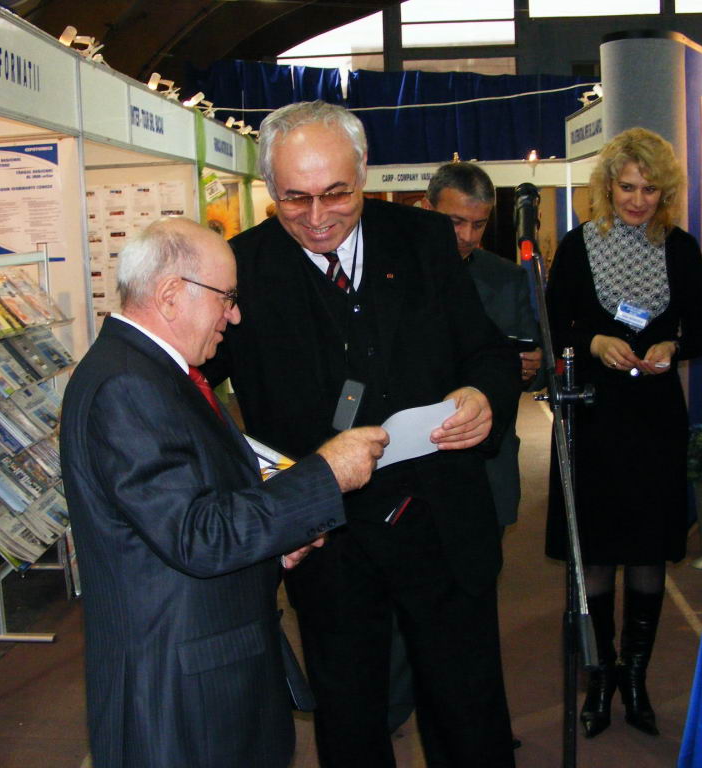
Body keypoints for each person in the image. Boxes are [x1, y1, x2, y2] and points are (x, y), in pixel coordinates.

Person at [202, 101, 521, 767]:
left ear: (365, 171)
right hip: (327, 542)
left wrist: (483, 397)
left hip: (440, 521)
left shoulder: (426, 239)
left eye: (336, 193)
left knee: (468, 710)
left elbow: (487, 352)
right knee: (349, 720)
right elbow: (195, 394)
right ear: (269, 187)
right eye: (295, 198)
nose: (317, 216)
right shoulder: (241, 269)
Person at [60, 217, 389, 768]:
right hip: (181, 688)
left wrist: (276, 545)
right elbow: (198, 536)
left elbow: (186, 516)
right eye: (227, 297)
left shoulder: (156, 374)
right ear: (171, 295)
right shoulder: (128, 385)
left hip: (205, 669)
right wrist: (326, 474)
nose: (234, 316)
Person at [544, 127, 702, 739]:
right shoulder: (576, 245)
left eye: (650, 189)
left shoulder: (681, 248)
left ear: (665, 192)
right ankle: (601, 680)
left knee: (647, 554)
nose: (638, 200)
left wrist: (672, 346)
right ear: (608, 186)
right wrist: (592, 341)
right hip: (593, 418)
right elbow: (553, 327)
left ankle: (636, 679)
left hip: (654, 420)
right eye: (628, 187)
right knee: (596, 555)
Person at [424, 160, 543, 529]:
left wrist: (532, 367)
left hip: (489, 465)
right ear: (427, 209)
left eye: (479, 224)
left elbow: (537, 372)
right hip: (418, 464)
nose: (468, 236)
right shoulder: (391, 274)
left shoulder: (506, 277)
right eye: (456, 222)